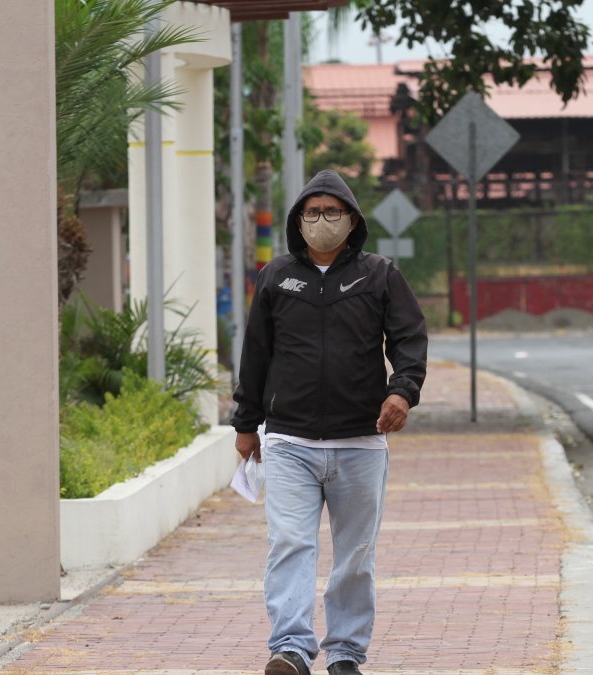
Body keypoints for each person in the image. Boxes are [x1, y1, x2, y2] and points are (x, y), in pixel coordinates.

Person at [231, 169, 428, 675]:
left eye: (332, 212)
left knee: (355, 556)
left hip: (361, 442)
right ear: (299, 220)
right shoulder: (276, 277)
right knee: (290, 544)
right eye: (312, 212)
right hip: (289, 440)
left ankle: (344, 654)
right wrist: (246, 422)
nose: (321, 221)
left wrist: (402, 393)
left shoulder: (380, 275)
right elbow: (256, 352)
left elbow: (408, 341)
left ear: (351, 218)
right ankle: (291, 649)